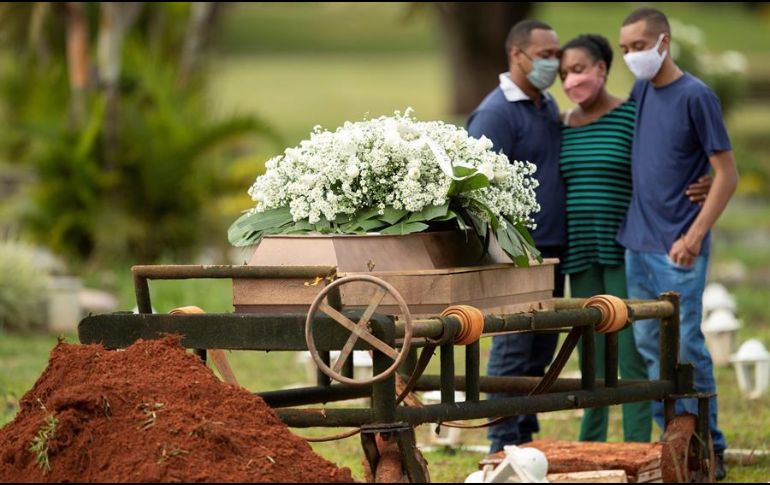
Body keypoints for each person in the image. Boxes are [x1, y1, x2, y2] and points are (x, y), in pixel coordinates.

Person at [617, 8, 738, 480]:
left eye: (639, 46)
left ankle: (709, 446)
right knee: (650, 345)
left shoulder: (697, 95)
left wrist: (694, 235)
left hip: (677, 248)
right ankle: (672, 439)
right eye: (625, 49)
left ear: (663, 42)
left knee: (686, 345)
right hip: (638, 242)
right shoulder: (642, 89)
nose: (632, 56)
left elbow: (727, 174)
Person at [466, 19, 566, 453]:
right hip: (519, 252)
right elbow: (475, 189)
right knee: (513, 347)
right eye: (545, 55)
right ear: (517, 55)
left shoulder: (547, 105)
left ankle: (523, 436)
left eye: (556, 55)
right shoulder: (495, 112)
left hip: (553, 246)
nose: (554, 63)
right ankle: (502, 444)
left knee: (543, 343)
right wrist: (503, 250)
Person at [558, 34, 652, 443]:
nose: (569, 80)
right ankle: (591, 443)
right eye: (563, 74)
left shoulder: (632, 116)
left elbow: (659, 168)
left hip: (621, 248)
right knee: (589, 354)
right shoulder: (563, 124)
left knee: (629, 353)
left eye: (578, 70)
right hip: (580, 249)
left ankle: (636, 445)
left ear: (601, 69)